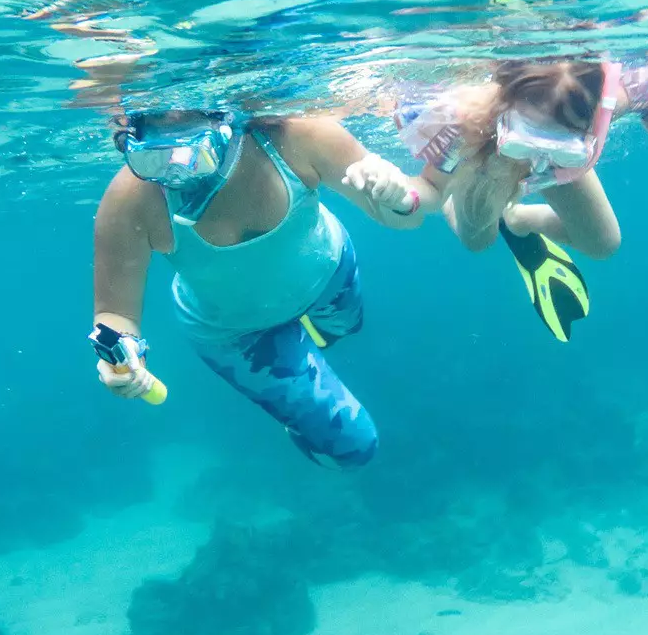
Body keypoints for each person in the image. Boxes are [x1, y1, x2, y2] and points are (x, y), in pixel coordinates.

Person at [90, 108, 433, 468]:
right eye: (154, 158)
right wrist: (121, 357)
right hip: (235, 334)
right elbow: (115, 315)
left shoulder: (301, 137)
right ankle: (298, 419)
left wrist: (398, 198)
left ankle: (314, 348)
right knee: (353, 449)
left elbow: (407, 220)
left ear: (229, 127)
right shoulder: (130, 201)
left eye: (194, 153)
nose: (176, 174)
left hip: (328, 274)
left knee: (345, 330)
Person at [393, 56, 648, 340]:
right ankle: (466, 197)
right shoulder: (467, 120)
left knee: (603, 243)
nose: (534, 162)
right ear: (503, 107)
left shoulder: (590, 103)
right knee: (479, 240)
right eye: (526, 143)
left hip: (560, 173)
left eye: (559, 147)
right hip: (488, 166)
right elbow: (428, 186)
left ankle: (517, 220)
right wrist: (409, 193)